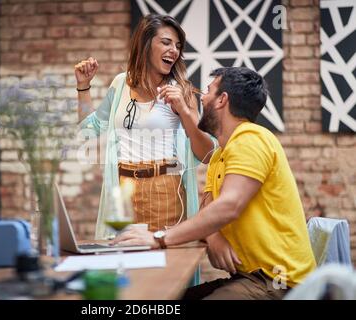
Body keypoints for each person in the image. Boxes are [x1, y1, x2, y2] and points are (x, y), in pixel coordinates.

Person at [113, 67, 317, 300]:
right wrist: (214, 234)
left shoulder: (251, 139)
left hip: (280, 283)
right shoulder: (222, 153)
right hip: (251, 278)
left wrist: (159, 239)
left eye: (209, 91)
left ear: (222, 100)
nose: (202, 97)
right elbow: (208, 211)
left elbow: (229, 205)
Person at [74, 14, 217, 242]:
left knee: (167, 269)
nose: (174, 51)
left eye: (178, 46)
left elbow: (208, 153)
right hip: (123, 191)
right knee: (125, 267)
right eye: (166, 42)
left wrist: (184, 111)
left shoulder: (181, 90)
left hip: (165, 191)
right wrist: (83, 87)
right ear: (146, 43)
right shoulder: (120, 83)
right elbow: (90, 130)